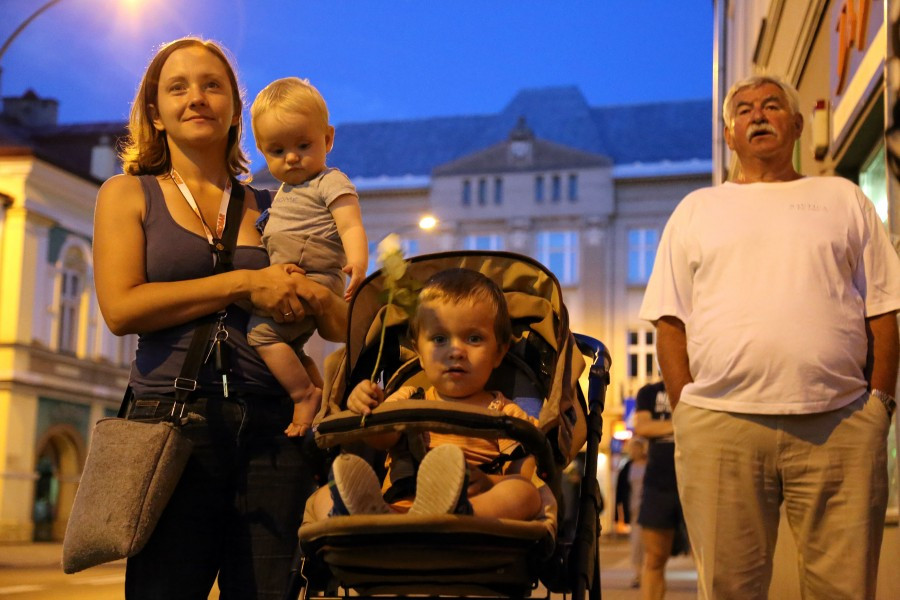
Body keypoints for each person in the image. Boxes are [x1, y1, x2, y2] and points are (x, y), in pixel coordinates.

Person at [92, 37, 348, 599]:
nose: (197, 98)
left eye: (213, 85)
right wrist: (244, 284)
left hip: (275, 424)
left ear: (235, 106)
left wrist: (322, 298)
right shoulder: (127, 194)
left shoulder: (276, 203)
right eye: (177, 87)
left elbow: (335, 323)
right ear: (154, 113)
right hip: (171, 422)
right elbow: (120, 308)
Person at [640, 74, 900, 599]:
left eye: (772, 106)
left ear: (797, 126)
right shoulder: (696, 210)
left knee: (845, 590)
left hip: (841, 423)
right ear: (730, 136)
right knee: (730, 590)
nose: (757, 115)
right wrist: (686, 407)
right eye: (743, 110)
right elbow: (671, 320)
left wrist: (880, 404)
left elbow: (884, 306)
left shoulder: (842, 197)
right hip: (721, 426)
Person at [309, 268, 544, 521]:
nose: (456, 351)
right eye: (440, 339)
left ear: (499, 352)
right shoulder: (409, 397)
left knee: (526, 493)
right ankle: (356, 514)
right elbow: (382, 440)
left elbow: (524, 475)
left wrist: (488, 481)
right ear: (419, 352)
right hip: (399, 509)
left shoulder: (503, 411)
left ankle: (457, 510)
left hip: (472, 507)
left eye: (474, 339)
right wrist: (366, 403)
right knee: (321, 496)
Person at [248, 77, 368, 438]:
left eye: (303, 145)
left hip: (315, 275)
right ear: (262, 151)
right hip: (295, 274)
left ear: (328, 139)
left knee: (260, 335)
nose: (292, 158)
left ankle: (303, 394)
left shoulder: (330, 181)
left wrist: (359, 262)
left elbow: (350, 225)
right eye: (278, 151)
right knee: (286, 343)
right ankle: (318, 389)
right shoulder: (284, 191)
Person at [632, 381, 684, 599]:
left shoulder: (701, 385)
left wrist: (660, 425)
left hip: (698, 478)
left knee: (712, 560)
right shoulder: (650, 392)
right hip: (659, 484)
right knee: (653, 559)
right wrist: (685, 424)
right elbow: (643, 427)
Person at [615, 436, 647, 589]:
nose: (635, 451)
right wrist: (618, 515)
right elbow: (620, 491)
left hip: (649, 509)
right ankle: (637, 574)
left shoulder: (650, 465)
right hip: (633, 510)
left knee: (648, 544)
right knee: (636, 543)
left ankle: (648, 574)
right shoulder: (627, 467)